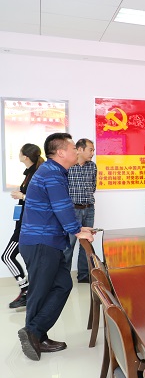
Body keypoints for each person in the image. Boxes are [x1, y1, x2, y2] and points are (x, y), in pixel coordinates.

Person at [18, 132, 95, 360]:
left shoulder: (54, 171)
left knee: (62, 285)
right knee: (40, 291)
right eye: (72, 148)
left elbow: (57, 207)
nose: (76, 151)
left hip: (47, 241)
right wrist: (77, 230)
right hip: (41, 242)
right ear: (61, 152)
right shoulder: (52, 173)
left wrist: (77, 228)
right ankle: (34, 336)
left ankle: (35, 332)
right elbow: (61, 206)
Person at [3, 144, 44, 309]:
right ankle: (27, 290)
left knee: (7, 256)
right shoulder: (30, 173)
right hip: (24, 221)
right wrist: (21, 195)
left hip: (27, 223)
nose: (18, 154)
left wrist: (23, 196)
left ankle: (26, 290)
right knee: (24, 258)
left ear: (25, 156)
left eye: (20, 152)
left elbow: (42, 200)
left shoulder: (36, 174)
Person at [63, 138, 97, 283]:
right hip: (73, 210)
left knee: (86, 243)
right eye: (90, 150)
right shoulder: (69, 166)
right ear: (80, 149)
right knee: (68, 244)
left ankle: (84, 275)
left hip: (89, 209)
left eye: (93, 150)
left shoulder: (92, 166)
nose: (92, 153)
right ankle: (63, 277)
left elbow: (93, 186)